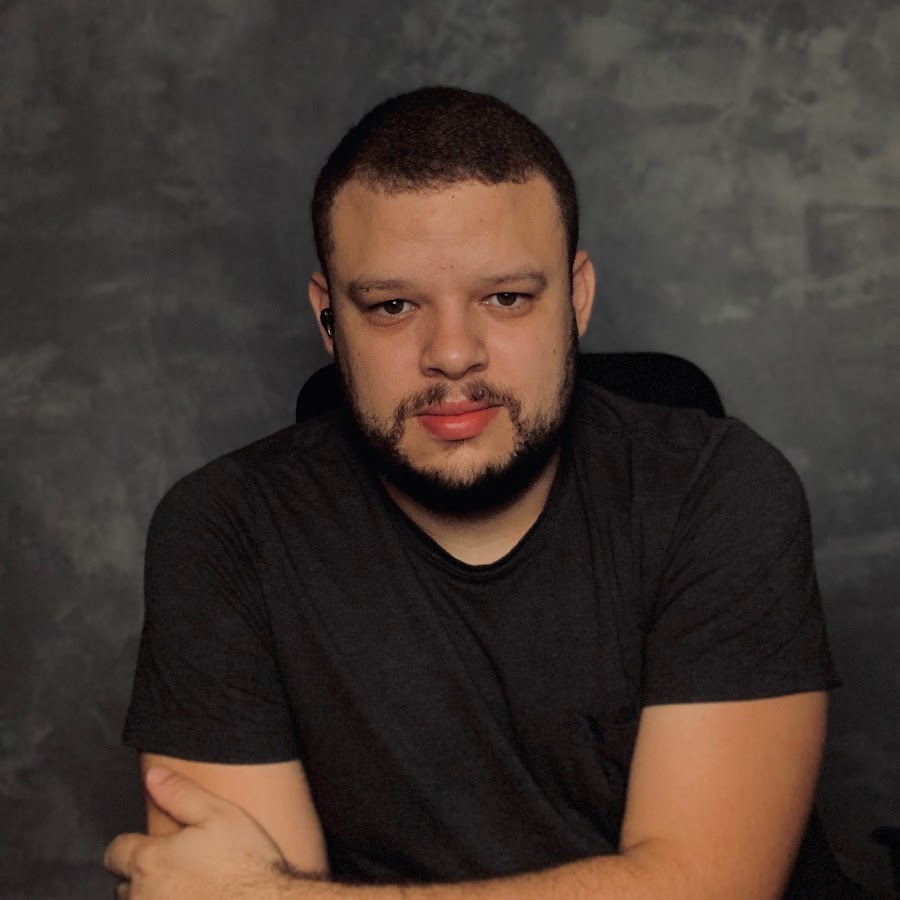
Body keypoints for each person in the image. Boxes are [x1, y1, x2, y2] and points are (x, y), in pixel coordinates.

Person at [105, 86, 838, 899]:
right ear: (328, 319)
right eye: (392, 306)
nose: (453, 354)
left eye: (506, 298)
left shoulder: (718, 489)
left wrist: (278, 896)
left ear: (577, 298)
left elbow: (706, 890)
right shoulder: (225, 532)